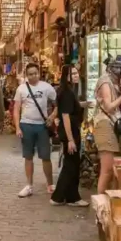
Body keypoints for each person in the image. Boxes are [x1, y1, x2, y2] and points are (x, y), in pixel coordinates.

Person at [12, 62, 58, 197]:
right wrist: (17, 128)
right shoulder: (21, 89)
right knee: (28, 156)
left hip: (42, 126)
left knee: (46, 156)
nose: (33, 76)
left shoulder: (47, 87)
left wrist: (52, 116)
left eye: (36, 73)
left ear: (39, 73)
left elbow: (58, 104)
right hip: (26, 125)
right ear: (27, 75)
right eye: (30, 74)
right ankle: (29, 185)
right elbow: (16, 109)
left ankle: (50, 184)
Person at [94, 56, 121, 194]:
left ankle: (107, 200)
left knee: (110, 170)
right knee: (107, 170)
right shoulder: (105, 82)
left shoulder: (114, 82)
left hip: (110, 124)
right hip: (104, 123)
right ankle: (101, 203)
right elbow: (109, 106)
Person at [51, 65, 88, 207]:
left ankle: (71, 197)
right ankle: (59, 197)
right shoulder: (67, 92)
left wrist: (84, 104)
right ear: (65, 76)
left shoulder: (68, 91)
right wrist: (71, 139)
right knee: (70, 165)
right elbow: (65, 115)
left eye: (76, 73)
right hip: (70, 132)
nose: (75, 76)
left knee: (72, 164)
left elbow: (68, 109)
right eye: (72, 74)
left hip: (70, 131)